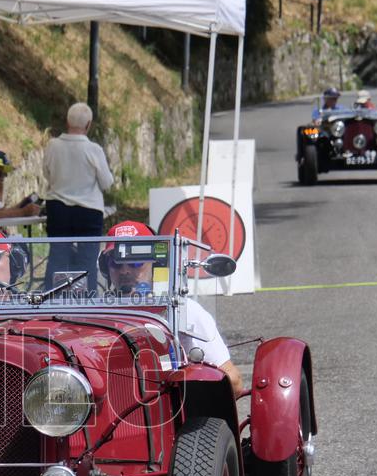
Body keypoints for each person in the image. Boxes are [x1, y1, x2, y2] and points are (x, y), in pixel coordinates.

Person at [99, 221, 243, 395]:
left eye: (135, 262)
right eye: (116, 263)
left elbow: (233, 382)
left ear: (156, 263)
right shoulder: (95, 314)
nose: (125, 271)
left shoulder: (186, 310)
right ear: (105, 268)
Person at [42, 102, 114, 291]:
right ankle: (87, 300)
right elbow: (106, 182)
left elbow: (46, 174)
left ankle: (51, 299)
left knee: (57, 257)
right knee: (88, 260)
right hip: (88, 211)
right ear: (88, 124)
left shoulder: (52, 145)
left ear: (67, 121)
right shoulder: (93, 150)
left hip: (57, 208)